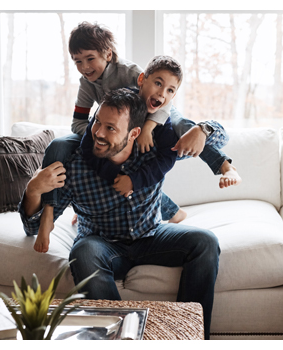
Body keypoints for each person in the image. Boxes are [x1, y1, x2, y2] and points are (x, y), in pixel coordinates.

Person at [18, 88, 220, 339]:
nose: (98, 134)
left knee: (205, 242)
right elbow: (32, 228)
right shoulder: (75, 164)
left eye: (111, 128)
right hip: (102, 243)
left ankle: (188, 338)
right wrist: (33, 190)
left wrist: (202, 130)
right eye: (97, 123)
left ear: (135, 132)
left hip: (151, 235)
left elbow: (218, 141)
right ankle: (121, 340)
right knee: (83, 251)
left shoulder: (154, 151)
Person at [34, 22, 241, 253]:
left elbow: (158, 99)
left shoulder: (130, 73)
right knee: (59, 145)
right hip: (117, 134)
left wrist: (149, 128)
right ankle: (49, 212)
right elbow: (78, 123)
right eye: (78, 61)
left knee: (185, 129)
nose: (84, 66)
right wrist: (101, 135)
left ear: (108, 54)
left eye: (90, 59)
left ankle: (224, 166)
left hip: (153, 117)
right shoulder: (87, 84)